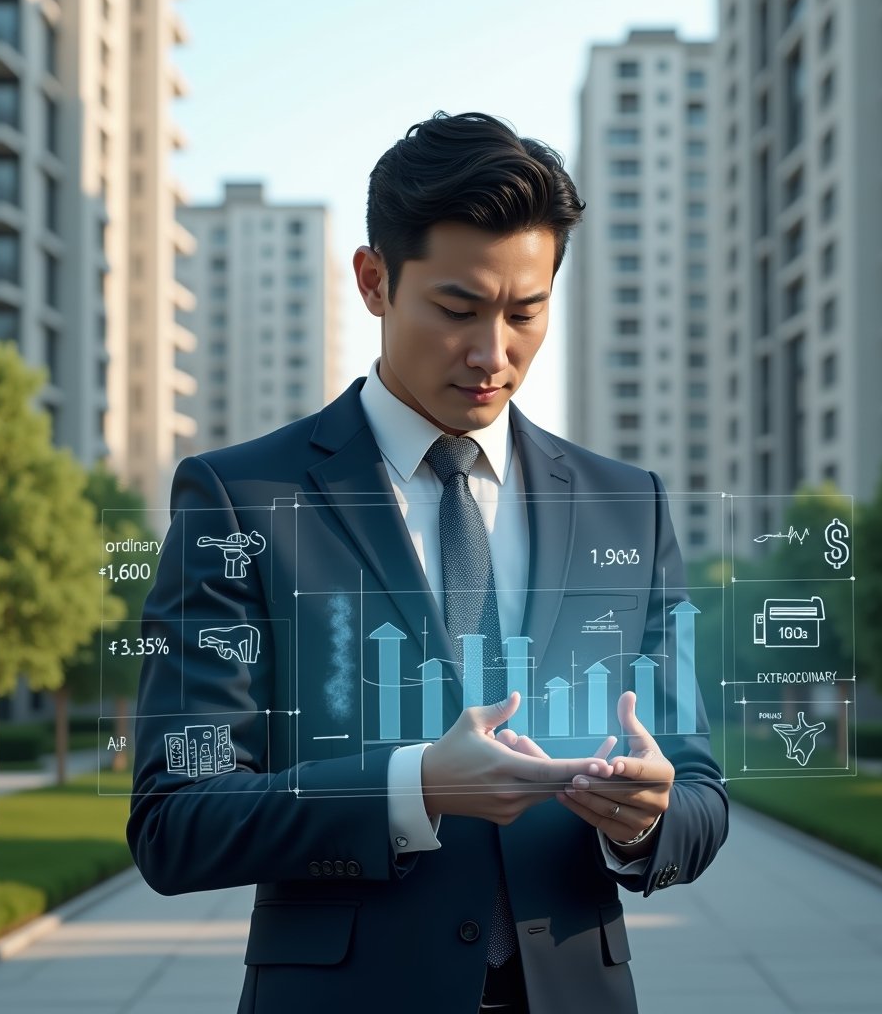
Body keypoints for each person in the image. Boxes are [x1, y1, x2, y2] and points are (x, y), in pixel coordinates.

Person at [128, 111, 728, 1014]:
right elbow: (177, 818)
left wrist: (647, 821)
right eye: (456, 309)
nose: (494, 355)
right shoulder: (240, 498)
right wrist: (412, 788)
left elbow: (700, 792)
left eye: (525, 313)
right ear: (374, 282)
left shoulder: (625, 502)